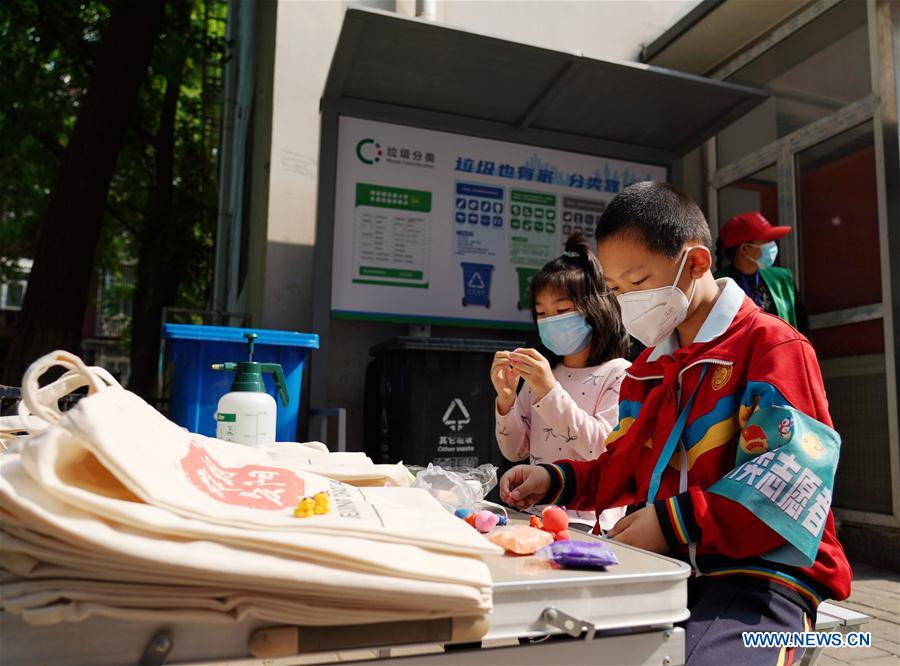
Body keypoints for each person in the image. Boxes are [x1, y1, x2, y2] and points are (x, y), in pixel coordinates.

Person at [499, 183, 851, 666]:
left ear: (697, 263)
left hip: (763, 578)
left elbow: (787, 487)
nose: (627, 302)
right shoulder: (646, 369)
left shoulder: (771, 347)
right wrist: (555, 479)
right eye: (617, 290)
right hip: (669, 568)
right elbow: (619, 465)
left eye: (639, 282)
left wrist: (671, 521)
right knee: (549, 639)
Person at [491, 233, 630, 531]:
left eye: (562, 310)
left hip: (593, 524)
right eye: (541, 313)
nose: (550, 320)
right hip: (538, 516)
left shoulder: (619, 373)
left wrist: (549, 391)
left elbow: (602, 449)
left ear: (595, 310)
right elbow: (515, 451)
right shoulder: (544, 373)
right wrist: (506, 400)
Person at [715, 211, 809, 334]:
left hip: (782, 350)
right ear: (744, 249)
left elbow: (802, 325)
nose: (772, 245)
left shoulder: (782, 279)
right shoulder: (717, 284)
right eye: (764, 242)